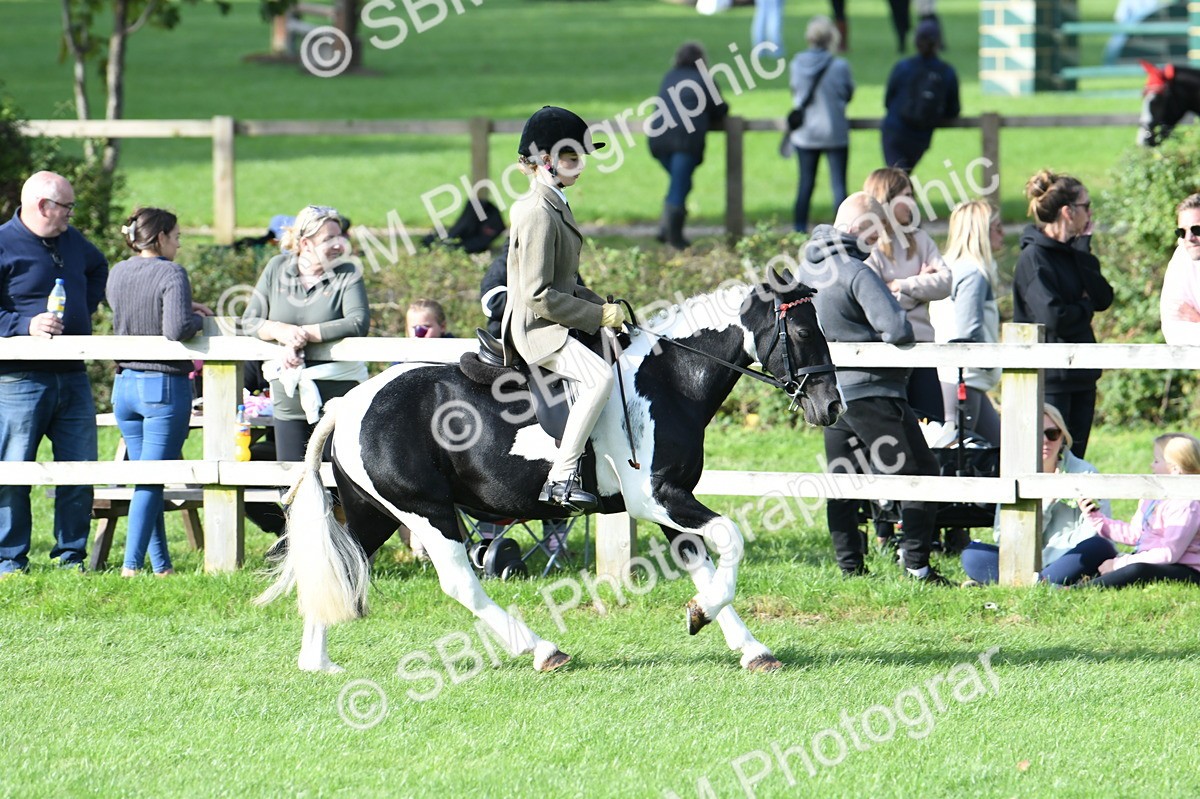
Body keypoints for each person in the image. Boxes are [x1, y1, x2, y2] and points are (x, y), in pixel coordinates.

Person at [795, 192, 951, 585]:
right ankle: (916, 566)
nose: (876, 243)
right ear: (858, 228)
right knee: (921, 473)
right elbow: (897, 329)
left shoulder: (805, 271)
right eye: (875, 233)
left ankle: (850, 567)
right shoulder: (855, 272)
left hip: (829, 395)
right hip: (873, 391)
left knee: (843, 481)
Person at [503, 105, 623, 512]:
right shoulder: (537, 212)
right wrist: (595, 317)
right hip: (538, 329)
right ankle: (561, 476)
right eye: (573, 158)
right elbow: (538, 295)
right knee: (599, 378)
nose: (581, 166)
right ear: (546, 161)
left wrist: (604, 305)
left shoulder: (555, 203)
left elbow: (565, 284)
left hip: (552, 317)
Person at [0, 171, 108, 576]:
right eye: (67, 206)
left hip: (73, 374)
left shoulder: (73, 242)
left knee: (79, 469)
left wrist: (85, 305)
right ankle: (9, 559)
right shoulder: (3, 244)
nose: (71, 214)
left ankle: (70, 558)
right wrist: (23, 325)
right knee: (12, 470)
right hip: (18, 379)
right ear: (44, 206)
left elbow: (99, 268)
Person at [107, 207, 213, 576]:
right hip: (162, 386)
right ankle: (131, 567)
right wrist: (198, 318)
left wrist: (185, 311)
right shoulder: (171, 272)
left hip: (124, 385)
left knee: (145, 479)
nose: (180, 244)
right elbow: (176, 329)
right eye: (178, 237)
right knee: (150, 481)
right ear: (161, 236)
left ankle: (162, 566)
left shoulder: (118, 271)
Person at [242, 204, 370, 463]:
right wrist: (281, 331)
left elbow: (358, 322)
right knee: (290, 483)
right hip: (287, 398)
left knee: (336, 485)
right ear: (305, 243)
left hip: (337, 400)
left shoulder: (348, 272)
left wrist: (304, 334)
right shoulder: (276, 268)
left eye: (340, 237)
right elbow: (249, 320)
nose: (338, 245)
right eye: (329, 239)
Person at [1013, 170, 1113, 459]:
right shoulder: (1034, 259)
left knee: (1075, 461)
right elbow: (1054, 317)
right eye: (1086, 206)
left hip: (1082, 375)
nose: (1090, 213)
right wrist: (1084, 306)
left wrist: (1083, 251)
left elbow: (1103, 298)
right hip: (1052, 380)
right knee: (1049, 462)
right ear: (1068, 212)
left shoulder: (1075, 252)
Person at [960, 404, 1116, 586]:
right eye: (1036, 434)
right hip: (1022, 558)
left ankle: (1018, 583)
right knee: (972, 554)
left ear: (1062, 437)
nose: (1045, 441)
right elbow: (1004, 536)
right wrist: (1045, 506)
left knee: (1099, 547)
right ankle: (1043, 584)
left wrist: (1049, 556)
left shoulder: (1085, 473)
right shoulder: (1014, 474)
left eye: (1052, 433)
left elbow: (1098, 531)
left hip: (1069, 556)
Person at [863, 167, 951, 423]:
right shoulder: (869, 246)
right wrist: (921, 288)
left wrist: (902, 286)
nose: (912, 203)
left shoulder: (921, 239)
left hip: (923, 349)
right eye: (906, 195)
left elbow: (945, 282)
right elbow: (875, 305)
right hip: (887, 354)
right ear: (886, 200)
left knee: (934, 430)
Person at [1078, 433, 1200, 588]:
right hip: (1154, 560)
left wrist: (1120, 563)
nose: (1151, 465)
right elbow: (1137, 535)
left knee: (1137, 569)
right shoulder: (1153, 497)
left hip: (1185, 569)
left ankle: (1078, 589)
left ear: (1175, 469)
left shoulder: (1186, 505)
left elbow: (1169, 553)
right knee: (1099, 550)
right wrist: (1097, 519)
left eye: (1156, 460)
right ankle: (1075, 583)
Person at [929, 199, 1004, 443]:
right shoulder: (973, 274)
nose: (1002, 233)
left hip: (955, 377)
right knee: (960, 453)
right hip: (963, 378)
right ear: (981, 231)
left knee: (997, 449)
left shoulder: (949, 268)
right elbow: (967, 333)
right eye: (997, 227)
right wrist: (991, 363)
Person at [647, 43, 729, 249]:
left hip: (658, 138)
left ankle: (666, 229)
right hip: (684, 140)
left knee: (681, 183)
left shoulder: (669, 76)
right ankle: (674, 241)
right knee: (679, 186)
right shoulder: (704, 79)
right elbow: (720, 110)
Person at [786, 16, 854, 234]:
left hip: (806, 133)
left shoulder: (797, 64)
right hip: (834, 130)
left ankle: (798, 230)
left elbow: (795, 91)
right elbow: (848, 93)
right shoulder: (839, 66)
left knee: (805, 184)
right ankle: (843, 232)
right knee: (839, 187)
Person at [881, 17, 960, 173]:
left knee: (897, 181)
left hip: (895, 130)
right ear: (938, 42)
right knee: (901, 178)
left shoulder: (903, 67)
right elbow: (953, 109)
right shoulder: (946, 72)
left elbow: (888, 100)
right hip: (921, 136)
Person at [1160, 193, 1200, 344]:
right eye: (1181, 232)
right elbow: (1173, 333)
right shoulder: (1182, 258)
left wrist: (1196, 322)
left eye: (1197, 230)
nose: (1189, 238)